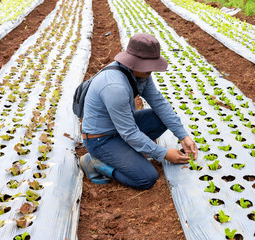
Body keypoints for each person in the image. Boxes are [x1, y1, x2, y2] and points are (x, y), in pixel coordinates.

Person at [79, 33, 198, 189]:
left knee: (160, 117)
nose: (151, 71)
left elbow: (159, 103)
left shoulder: (140, 74)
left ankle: (129, 153)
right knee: (147, 178)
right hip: (102, 139)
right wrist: (163, 154)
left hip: (119, 129)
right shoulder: (115, 87)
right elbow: (128, 132)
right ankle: (95, 163)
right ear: (134, 62)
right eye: (148, 66)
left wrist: (183, 136)